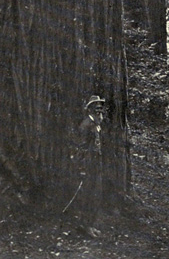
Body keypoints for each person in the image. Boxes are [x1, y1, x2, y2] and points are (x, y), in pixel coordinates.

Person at [73, 94, 105, 237]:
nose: (99, 110)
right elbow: (81, 147)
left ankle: (90, 224)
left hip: (95, 162)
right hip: (88, 163)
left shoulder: (96, 124)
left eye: (100, 108)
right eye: (96, 107)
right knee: (87, 193)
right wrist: (82, 167)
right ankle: (84, 225)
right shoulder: (86, 125)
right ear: (90, 109)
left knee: (95, 193)